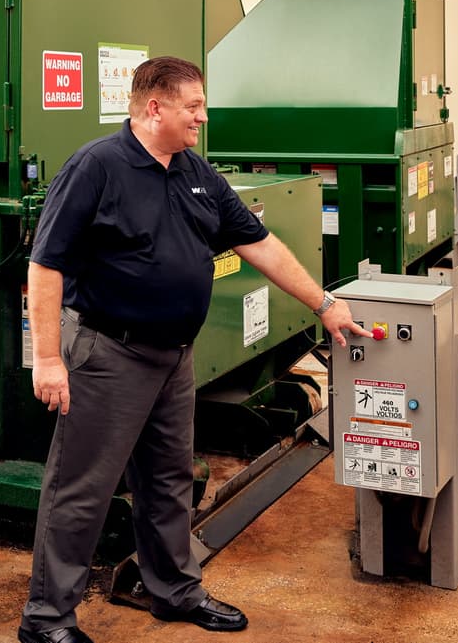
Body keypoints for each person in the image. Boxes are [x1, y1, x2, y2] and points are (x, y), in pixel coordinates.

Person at [18, 56, 369, 643]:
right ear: (154, 108)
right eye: (193, 107)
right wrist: (49, 357)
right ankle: (47, 620)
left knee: (168, 480)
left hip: (173, 357)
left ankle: (174, 592)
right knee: (81, 490)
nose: (202, 118)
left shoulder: (194, 172)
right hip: (108, 355)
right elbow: (45, 266)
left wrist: (323, 302)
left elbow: (259, 244)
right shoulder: (97, 167)